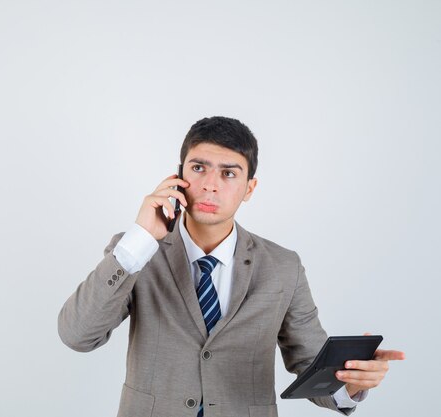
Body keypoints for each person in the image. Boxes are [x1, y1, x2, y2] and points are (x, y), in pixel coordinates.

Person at [57, 116, 404, 417]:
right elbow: (77, 335)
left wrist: (351, 382)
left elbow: (310, 365)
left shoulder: (284, 267)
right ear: (178, 176)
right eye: (198, 168)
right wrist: (140, 239)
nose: (210, 184)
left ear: (249, 188)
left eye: (228, 173)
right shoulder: (136, 251)